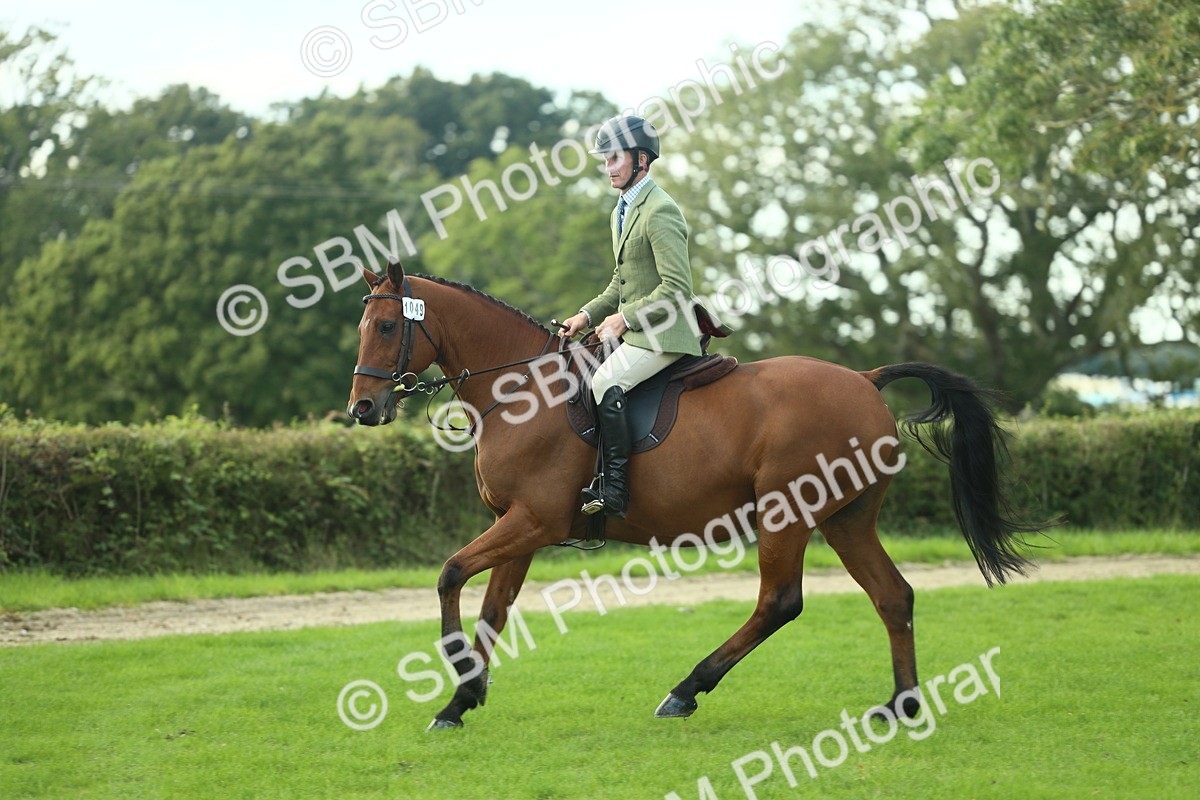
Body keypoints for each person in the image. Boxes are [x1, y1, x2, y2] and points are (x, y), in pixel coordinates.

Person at [559, 114, 721, 519]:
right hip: (637, 332)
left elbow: (677, 289)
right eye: (605, 160)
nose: (608, 167)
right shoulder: (624, 209)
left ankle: (614, 490)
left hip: (665, 334)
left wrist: (624, 319)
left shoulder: (659, 210)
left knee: (604, 380)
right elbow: (621, 280)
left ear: (642, 160)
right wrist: (585, 314)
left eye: (615, 159)